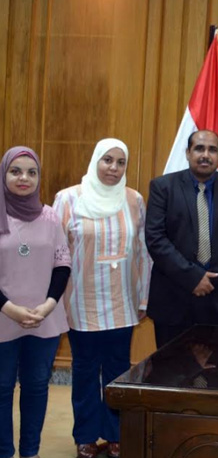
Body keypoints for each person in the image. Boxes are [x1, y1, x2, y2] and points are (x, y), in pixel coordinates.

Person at [53, 139, 151, 458]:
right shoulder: (68, 198)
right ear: (95, 160)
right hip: (81, 303)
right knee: (84, 371)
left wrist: (143, 299)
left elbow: (143, 253)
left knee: (118, 372)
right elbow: (57, 253)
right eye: (107, 160)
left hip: (122, 302)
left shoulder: (133, 200)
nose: (113, 168)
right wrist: (54, 301)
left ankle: (114, 435)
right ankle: (85, 436)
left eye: (121, 162)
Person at [146, 130, 218, 348]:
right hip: (173, 301)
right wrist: (193, 277)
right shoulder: (163, 187)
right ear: (188, 153)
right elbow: (155, 239)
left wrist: (213, 280)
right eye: (199, 148)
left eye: (212, 150)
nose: (205, 155)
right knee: (170, 367)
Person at [0, 147, 71, 458]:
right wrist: (9, 308)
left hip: (43, 318)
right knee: (1, 389)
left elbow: (62, 264)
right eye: (15, 171)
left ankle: (30, 452)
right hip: (2, 316)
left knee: (36, 387)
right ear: (4, 175)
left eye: (32, 172)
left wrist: (49, 305)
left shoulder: (50, 216)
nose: (24, 178)